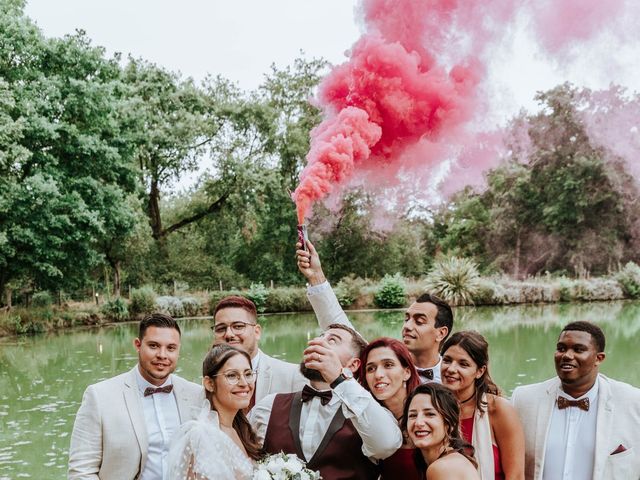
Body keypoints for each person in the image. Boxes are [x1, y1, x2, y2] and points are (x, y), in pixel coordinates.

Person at [250, 323, 403, 479]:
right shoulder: (268, 406)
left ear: (353, 364)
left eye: (332, 340)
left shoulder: (369, 415)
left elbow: (386, 445)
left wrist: (339, 379)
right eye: (320, 336)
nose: (319, 341)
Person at [68, 313, 204, 480]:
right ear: (138, 345)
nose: (162, 355)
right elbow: (81, 471)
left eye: (170, 348)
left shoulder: (196, 394)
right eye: (154, 346)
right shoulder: (99, 397)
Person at [297, 241, 452, 382]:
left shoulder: (453, 377)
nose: (408, 326)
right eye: (406, 319)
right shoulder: (376, 360)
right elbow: (337, 323)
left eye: (419, 321)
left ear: (441, 333)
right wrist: (316, 275)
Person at [511, 321, 640, 480]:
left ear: (598, 358)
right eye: (561, 348)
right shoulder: (523, 400)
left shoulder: (633, 402)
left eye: (578, 349)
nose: (567, 355)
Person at [167, 344, 262, 479]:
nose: (244, 383)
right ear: (210, 384)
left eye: (248, 374)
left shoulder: (241, 429)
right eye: (232, 375)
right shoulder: (201, 436)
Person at [441, 331, 524, 480]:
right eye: (447, 360)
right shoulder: (433, 407)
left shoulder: (498, 410)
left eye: (463, 364)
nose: (451, 369)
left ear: (480, 371)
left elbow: (516, 475)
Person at [212, 295, 307, 408]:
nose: (229, 334)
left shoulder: (293, 376)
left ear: (257, 332)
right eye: (221, 329)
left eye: (238, 326)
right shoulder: (211, 379)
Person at [358, 337, 422, 480]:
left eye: (388, 365)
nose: (378, 375)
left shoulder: (426, 413)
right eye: (371, 368)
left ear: (407, 372)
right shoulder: (364, 418)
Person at [403, 382, 480, 480]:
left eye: (430, 414)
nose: (418, 423)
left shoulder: (442, 467)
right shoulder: (451, 461)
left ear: (450, 424)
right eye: (413, 415)